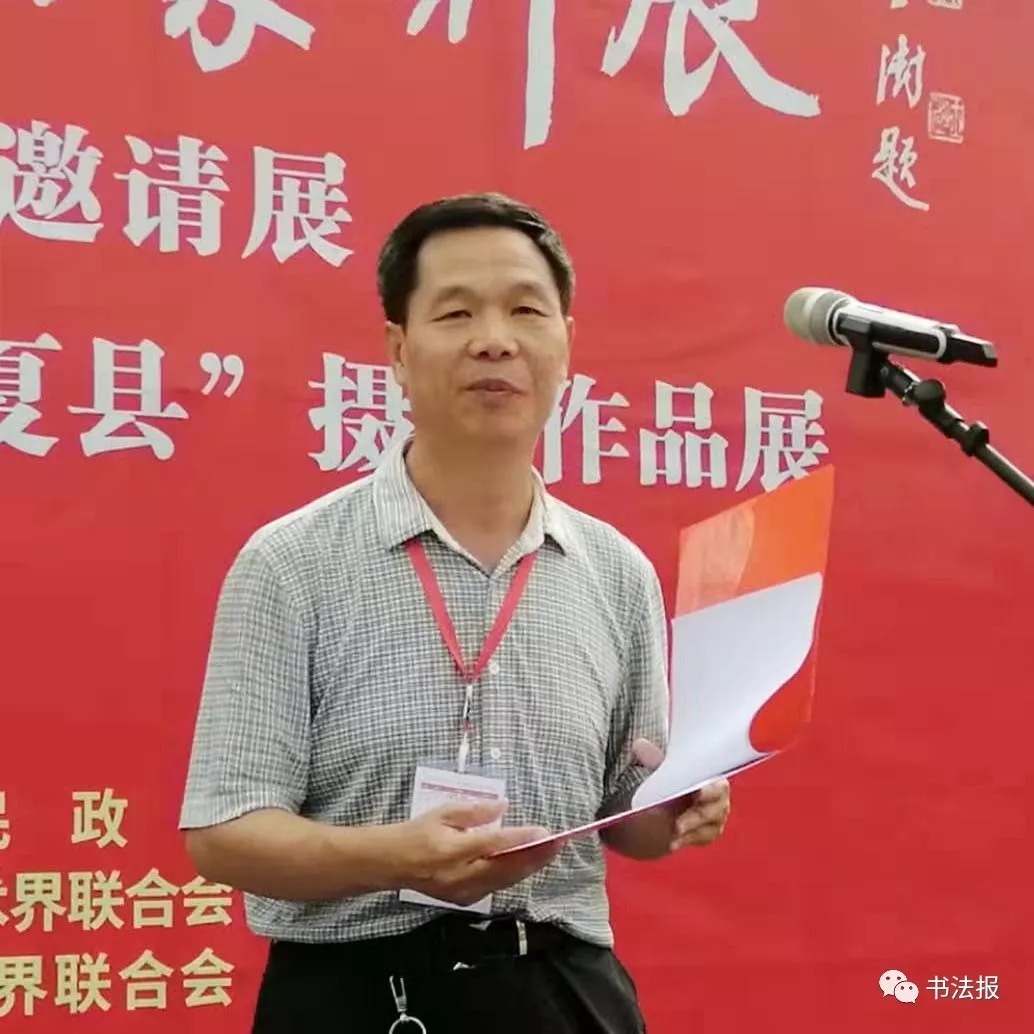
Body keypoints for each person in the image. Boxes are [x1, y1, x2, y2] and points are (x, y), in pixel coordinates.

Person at [179, 192, 731, 1034]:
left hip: (563, 988)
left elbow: (629, 817)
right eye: (457, 313)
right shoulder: (291, 563)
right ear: (399, 351)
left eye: (525, 310)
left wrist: (674, 810)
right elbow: (224, 833)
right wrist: (392, 857)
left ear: (566, 343)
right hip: (359, 994)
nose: (495, 339)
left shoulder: (617, 572)